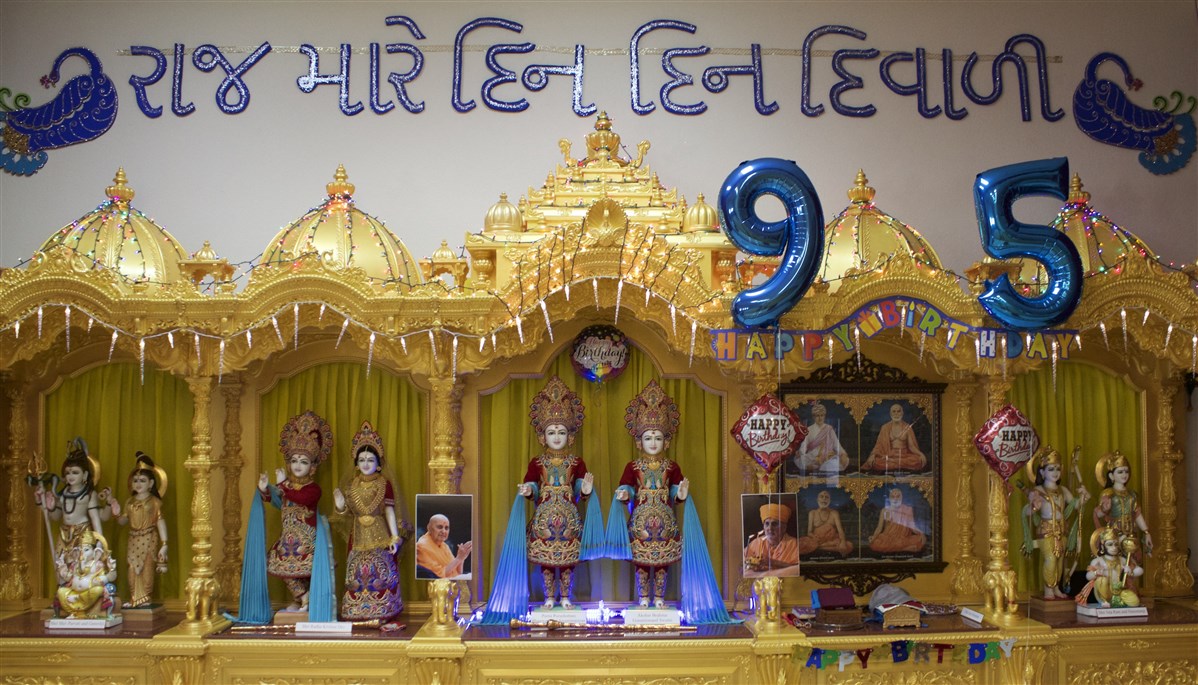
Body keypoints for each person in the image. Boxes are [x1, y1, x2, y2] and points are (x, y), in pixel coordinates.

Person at [520, 375, 593, 609]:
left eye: (561, 432)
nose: (557, 437)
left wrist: (585, 489)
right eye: (551, 432)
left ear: (569, 436)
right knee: (547, 563)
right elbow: (533, 484)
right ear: (543, 436)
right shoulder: (537, 462)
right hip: (544, 519)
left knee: (568, 562)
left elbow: (579, 486)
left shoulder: (576, 462)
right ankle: (550, 597)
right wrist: (528, 489)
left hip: (569, 520)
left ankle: (565, 597)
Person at [614, 380, 688, 608]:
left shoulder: (671, 466)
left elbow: (674, 490)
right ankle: (644, 597)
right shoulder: (633, 466)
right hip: (640, 523)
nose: (653, 442)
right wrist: (624, 494)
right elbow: (627, 486)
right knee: (642, 564)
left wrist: (680, 493)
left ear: (666, 441)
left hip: (665, 523)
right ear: (639, 441)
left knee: (662, 564)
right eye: (648, 438)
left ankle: (659, 598)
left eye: (657, 438)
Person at [332, 421, 409, 621]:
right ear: (356, 464)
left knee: (380, 571)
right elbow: (346, 514)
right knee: (357, 571)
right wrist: (340, 505)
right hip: (357, 534)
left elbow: (389, 511)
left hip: (380, 533)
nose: (366, 464)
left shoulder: (384, 484)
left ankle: (383, 609)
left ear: (378, 463)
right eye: (362, 460)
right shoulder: (351, 485)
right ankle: (357, 611)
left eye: (370, 459)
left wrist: (394, 537)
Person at [258, 410, 332, 613]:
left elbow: (302, 499)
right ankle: (302, 599)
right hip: (288, 538)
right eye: (294, 460)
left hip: (307, 540)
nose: (298, 465)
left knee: (303, 571)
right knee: (280, 566)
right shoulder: (286, 486)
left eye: (304, 461)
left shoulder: (313, 489)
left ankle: (307, 601)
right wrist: (265, 489)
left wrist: (282, 485)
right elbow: (277, 502)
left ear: (312, 467)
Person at [33, 439, 112, 596]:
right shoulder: (62, 494)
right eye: (68, 473)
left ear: (85, 475)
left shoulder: (89, 495)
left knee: (81, 566)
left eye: (75, 472)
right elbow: (56, 517)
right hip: (64, 533)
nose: (70, 476)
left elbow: (96, 520)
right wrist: (45, 505)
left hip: (83, 534)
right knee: (62, 565)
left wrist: (99, 542)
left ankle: (82, 597)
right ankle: (66, 595)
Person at [1020, 447, 1088, 599]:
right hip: (1046, 531)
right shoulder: (1038, 490)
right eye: (1051, 469)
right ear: (1042, 472)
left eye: (1057, 468)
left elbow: (1076, 505)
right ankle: (1048, 589)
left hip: (1061, 530)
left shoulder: (1063, 490)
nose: (1055, 472)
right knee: (1050, 559)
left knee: (1059, 561)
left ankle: (1056, 587)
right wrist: (1034, 506)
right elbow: (1028, 512)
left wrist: (1083, 496)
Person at [112, 453, 168, 608]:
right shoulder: (129, 502)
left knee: (147, 567)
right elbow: (123, 521)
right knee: (132, 569)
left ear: (151, 483)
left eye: (142, 480)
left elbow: (160, 521)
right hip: (133, 538)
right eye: (135, 480)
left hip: (149, 538)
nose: (138, 483)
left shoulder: (154, 502)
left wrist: (165, 544)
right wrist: (115, 512)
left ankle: (145, 598)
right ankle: (134, 598)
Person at [1092, 451, 1152, 558]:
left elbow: (1137, 515)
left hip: (1131, 534)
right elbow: (1099, 514)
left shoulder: (1132, 494)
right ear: (1111, 475)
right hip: (1114, 534)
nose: (1124, 475)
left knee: (1130, 563)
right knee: (1115, 562)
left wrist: (1146, 532)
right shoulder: (1108, 493)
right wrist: (1105, 509)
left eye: (1126, 471)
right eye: (1120, 472)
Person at [55, 529, 117, 619]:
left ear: (96, 552)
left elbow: (107, 577)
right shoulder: (75, 564)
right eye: (80, 550)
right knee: (61, 591)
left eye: (86, 550)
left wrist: (111, 569)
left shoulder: (97, 564)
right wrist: (62, 567)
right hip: (74, 591)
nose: (82, 553)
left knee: (98, 589)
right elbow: (68, 578)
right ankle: (74, 613)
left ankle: (77, 599)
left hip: (88, 592)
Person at [1076, 527, 1142, 608]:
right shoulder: (1098, 561)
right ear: (1103, 546)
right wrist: (1096, 573)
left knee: (1135, 602)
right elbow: (1088, 576)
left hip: (1120, 590)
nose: (1114, 547)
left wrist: (1130, 571)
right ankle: (1104, 601)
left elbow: (1139, 570)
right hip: (1105, 591)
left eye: (1116, 544)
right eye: (1110, 544)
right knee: (1101, 580)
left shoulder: (1122, 560)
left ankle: (1118, 601)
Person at [862, 404, 927, 472]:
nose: (896, 414)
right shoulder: (885, 427)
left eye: (898, 411)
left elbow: (912, 446)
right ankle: (898, 464)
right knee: (875, 462)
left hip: (904, 456)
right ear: (890, 413)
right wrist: (873, 455)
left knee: (917, 460)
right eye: (894, 411)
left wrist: (921, 454)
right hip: (889, 455)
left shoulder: (907, 427)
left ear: (902, 413)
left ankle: (894, 463)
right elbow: (879, 445)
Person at [743, 502, 800, 576]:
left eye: (774, 524)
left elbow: (799, 570)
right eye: (767, 524)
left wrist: (774, 563)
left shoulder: (794, 544)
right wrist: (754, 566)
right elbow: (743, 563)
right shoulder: (757, 542)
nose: (769, 528)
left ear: (784, 528)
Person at [793, 403, 849, 473]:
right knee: (799, 460)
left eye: (822, 415)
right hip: (812, 457)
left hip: (827, 457)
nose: (820, 418)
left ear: (824, 416)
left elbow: (836, 444)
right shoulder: (809, 430)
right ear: (813, 417)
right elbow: (804, 445)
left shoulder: (829, 429)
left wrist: (843, 454)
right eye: (817, 416)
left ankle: (819, 467)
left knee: (842, 460)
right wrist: (800, 453)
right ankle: (813, 466)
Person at [868, 488, 926, 554]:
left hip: (904, 538)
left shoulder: (908, 509)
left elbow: (912, 527)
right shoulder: (884, 510)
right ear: (889, 498)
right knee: (876, 542)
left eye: (898, 496)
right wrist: (874, 537)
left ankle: (899, 548)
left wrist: (921, 533)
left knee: (920, 539)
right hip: (888, 538)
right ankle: (905, 549)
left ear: (901, 498)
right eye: (893, 497)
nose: (895, 499)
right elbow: (879, 528)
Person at [798, 490, 853, 557]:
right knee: (801, 545)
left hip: (831, 540)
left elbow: (840, 531)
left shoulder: (834, 513)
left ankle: (819, 547)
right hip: (817, 540)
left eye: (826, 497)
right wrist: (814, 537)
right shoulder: (812, 513)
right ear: (817, 500)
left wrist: (843, 543)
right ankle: (822, 546)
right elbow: (809, 532)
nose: (824, 499)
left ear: (829, 500)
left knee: (849, 545)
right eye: (821, 497)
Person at [415, 514, 472, 579]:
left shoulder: (444, 546)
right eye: (439, 527)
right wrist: (458, 558)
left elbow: (458, 572)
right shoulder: (422, 546)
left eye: (446, 528)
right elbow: (440, 575)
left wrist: (462, 558)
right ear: (429, 528)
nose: (444, 531)